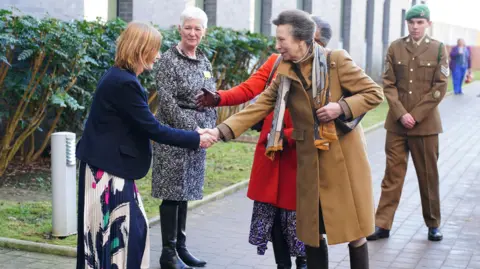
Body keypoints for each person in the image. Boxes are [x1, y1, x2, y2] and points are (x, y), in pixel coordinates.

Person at [203, 9, 383, 269]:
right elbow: (262, 104)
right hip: (308, 163)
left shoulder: (337, 61)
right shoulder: (285, 69)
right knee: (311, 234)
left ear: (301, 40)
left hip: (342, 163)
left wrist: (341, 108)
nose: (276, 46)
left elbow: (373, 93)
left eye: (281, 40)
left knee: (354, 231)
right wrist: (219, 131)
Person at [75, 22, 216, 269]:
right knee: (121, 235)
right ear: (141, 50)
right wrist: (196, 138)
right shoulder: (124, 83)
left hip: (107, 168)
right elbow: (152, 128)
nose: (159, 55)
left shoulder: (120, 77)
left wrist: (196, 132)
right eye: (155, 49)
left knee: (116, 235)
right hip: (106, 172)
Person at [195, 16, 333, 269]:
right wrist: (218, 98)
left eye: (314, 42)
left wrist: (292, 135)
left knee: (302, 218)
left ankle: (304, 262)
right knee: (273, 217)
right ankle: (283, 265)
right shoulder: (276, 63)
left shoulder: (327, 70)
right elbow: (251, 90)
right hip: (271, 151)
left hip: (302, 155)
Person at [367, 4, 448, 242]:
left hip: (426, 126)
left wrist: (417, 115)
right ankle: (382, 224)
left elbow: (440, 87)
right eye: (412, 23)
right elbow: (388, 84)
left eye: (420, 23)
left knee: (427, 176)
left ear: (428, 24)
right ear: (407, 24)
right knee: (392, 175)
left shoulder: (438, 49)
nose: (415, 27)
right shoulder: (395, 47)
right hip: (397, 125)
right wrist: (402, 113)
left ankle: (433, 224)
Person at [151, 7, 216, 269]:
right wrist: (194, 130)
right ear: (180, 29)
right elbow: (167, 103)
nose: (192, 32)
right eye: (188, 27)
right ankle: (167, 254)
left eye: (197, 28)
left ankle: (181, 248)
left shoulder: (204, 60)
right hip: (175, 135)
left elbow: (212, 97)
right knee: (172, 192)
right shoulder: (168, 60)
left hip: (199, 136)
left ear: (204, 32)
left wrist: (211, 129)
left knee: (186, 192)